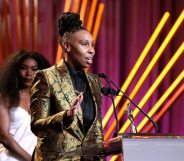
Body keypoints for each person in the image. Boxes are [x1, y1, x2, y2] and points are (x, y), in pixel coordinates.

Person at [30, 12, 104, 160]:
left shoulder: (96, 82)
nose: (91, 50)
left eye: (92, 45)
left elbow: (96, 131)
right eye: (84, 44)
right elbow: (36, 127)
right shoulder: (46, 77)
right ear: (67, 45)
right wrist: (65, 117)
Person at [0, 50, 50, 161]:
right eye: (23, 68)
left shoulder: (46, 99)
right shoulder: (5, 98)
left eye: (34, 69)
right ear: (15, 71)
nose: (29, 73)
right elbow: (4, 137)